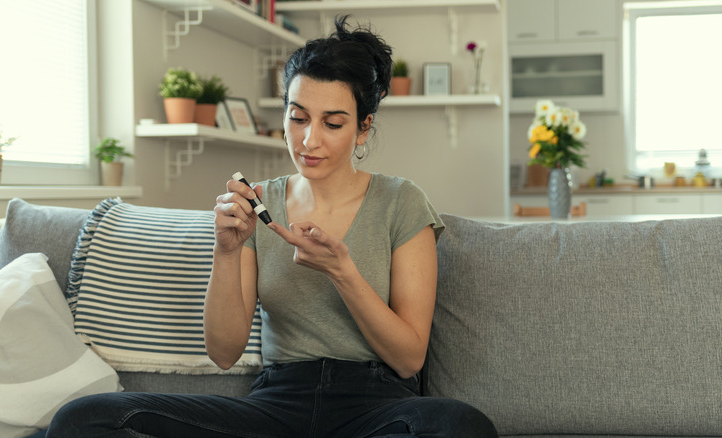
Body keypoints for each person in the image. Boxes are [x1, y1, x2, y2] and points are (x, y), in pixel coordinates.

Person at [46, 16, 496, 437]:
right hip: (278, 404)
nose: (309, 139)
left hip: (376, 405)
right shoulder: (258, 204)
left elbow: (408, 358)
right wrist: (225, 250)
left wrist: (343, 271)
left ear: (363, 128)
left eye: (332, 123)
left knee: (459, 424)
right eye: (297, 118)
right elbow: (224, 352)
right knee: (84, 418)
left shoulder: (402, 201)